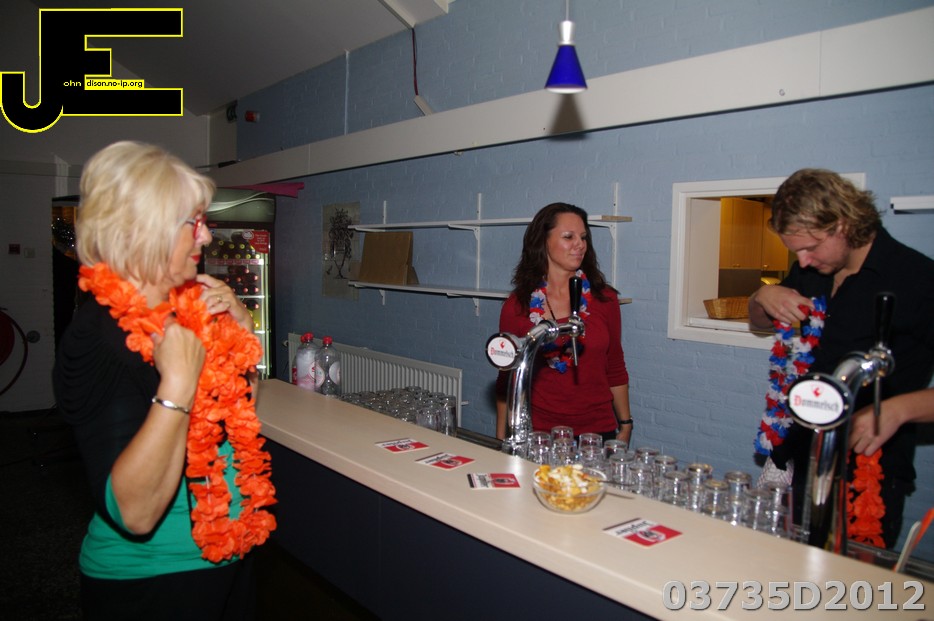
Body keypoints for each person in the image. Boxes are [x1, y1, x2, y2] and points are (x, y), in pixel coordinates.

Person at [53, 141, 276, 619]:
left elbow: (240, 411)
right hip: (152, 582)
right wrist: (177, 384)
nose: (206, 237)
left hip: (228, 551)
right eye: (193, 222)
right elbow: (135, 514)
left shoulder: (188, 310)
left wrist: (242, 332)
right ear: (145, 232)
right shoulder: (99, 335)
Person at [748, 168, 934, 548]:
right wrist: (761, 297)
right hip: (802, 454)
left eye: (810, 248)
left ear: (843, 225)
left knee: (846, 579)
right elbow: (759, 322)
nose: (802, 261)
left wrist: (899, 409)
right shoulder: (813, 271)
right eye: (796, 251)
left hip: (868, 469)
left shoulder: (918, 278)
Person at [495, 202, 633, 444]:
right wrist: (501, 436)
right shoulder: (517, 306)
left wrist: (626, 423)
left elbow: (615, 364)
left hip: (596, 433)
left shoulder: (605, 299)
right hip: (539, 434)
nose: (580, 244)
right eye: (569, 237)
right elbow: (507, 376)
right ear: (543, 241)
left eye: (583, 237)